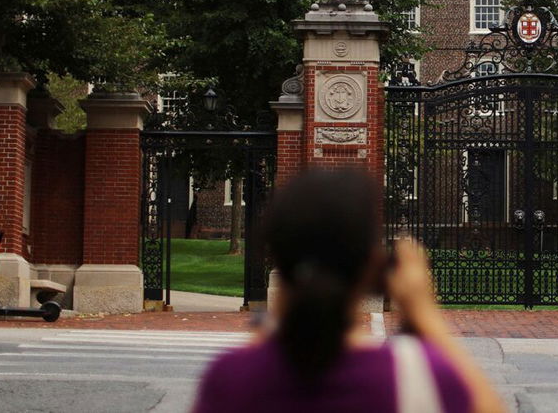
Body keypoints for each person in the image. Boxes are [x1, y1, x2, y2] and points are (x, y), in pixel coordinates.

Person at [192, 169, 505, 413]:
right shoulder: (416, 376)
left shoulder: (233, 378)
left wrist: (268, 330)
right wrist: (425, 313)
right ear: (373, 265)